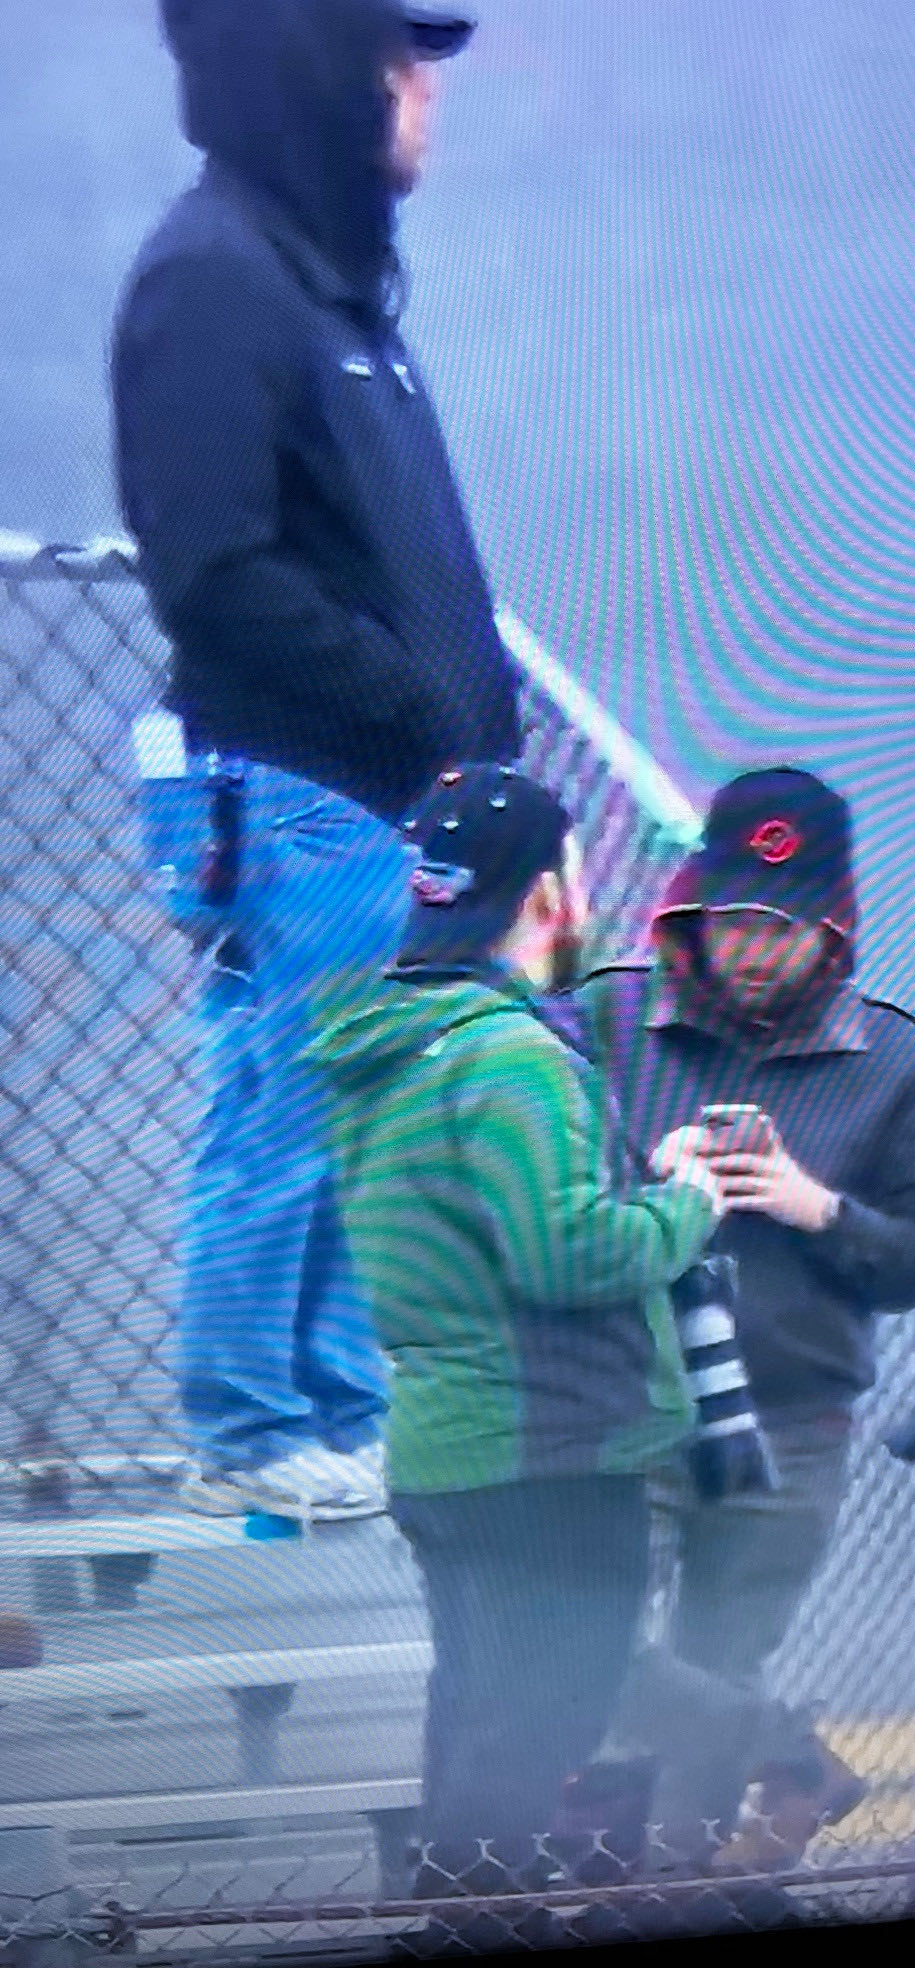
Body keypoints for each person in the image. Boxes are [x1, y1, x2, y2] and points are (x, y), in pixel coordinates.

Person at [112, 0, 521, 1520]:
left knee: (371, 1121)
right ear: (321, 82)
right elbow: (212, 568)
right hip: (298, 791)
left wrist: (479, 746)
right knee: (286, 1111)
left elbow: (405, 560)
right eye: (397, 66)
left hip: (387, 800)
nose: (425, 96)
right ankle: (251, 1428)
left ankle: (339, 1420)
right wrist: (417, 702)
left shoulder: (331, 289)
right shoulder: (213, 277)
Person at [307, 764, 725, 1930]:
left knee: (478, 1718)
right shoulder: (509, 1054)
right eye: (577, 865)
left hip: (450, 1451)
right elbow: (568, 1253)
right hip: (545, 1452)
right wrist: (689, 1200)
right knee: (537, 1725)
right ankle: (484, 1925)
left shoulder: (390, 1036)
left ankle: (456, 1917)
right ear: (546, 890)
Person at [574, 768, 915, 1875]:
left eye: (781, 926)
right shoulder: (604, 1013)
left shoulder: (903, 1062)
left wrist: (816, 1204)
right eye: (735, 916)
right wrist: (653, 1181)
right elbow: (545, 1198)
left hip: (794, 1422)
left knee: (725, 1651)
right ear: (693, 901)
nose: (753, 946)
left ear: (834, 922)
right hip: (624, 1394)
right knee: (584, 1639)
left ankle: (680, 1890)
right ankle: (780, 1765)